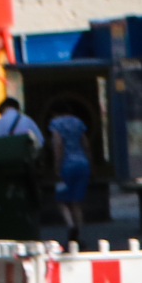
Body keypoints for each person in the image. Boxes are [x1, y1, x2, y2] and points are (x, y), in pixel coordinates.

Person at [48, 104, 91, 242]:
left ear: (55, 112)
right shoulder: (78, 122)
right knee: (76, 201)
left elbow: (58, 144)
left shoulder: (55, 123)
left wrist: (56, 166)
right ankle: (79, 233)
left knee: (61, 199)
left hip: (66, 165)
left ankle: (71, 225)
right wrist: (90, 163)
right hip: (82, 164)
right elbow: (86, 144)